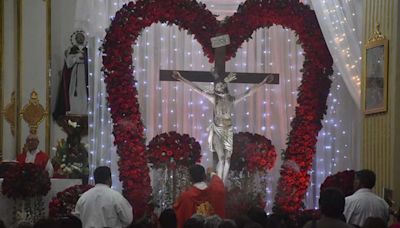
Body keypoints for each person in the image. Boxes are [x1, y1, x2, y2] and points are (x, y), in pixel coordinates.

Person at [172, 70, 269, 182]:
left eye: (221, 85)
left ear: (224, 87)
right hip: (218, 129)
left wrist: (263, 82)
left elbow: (248, 92)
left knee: (227, 160)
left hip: (228, 130)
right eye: (217, 86)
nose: (219, 86)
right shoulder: (214, 98)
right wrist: (181, 78)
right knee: (221, 158)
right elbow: (197, 89)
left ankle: (222, 183)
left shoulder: (232, 100)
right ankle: (218, 183)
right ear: (216, 89)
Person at [53, 30, 88, 119]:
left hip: (85, 75)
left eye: (81, 37)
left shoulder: (87, 50)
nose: (80, 39)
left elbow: (91, 63)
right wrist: (76, 58)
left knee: (84, 92)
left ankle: (84, 110)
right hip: (75, 74)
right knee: (73, 91)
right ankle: (73, 109)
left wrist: (84, 59)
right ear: (75, 39)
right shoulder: (71, 50)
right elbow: (68, 63)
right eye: (78, 37)